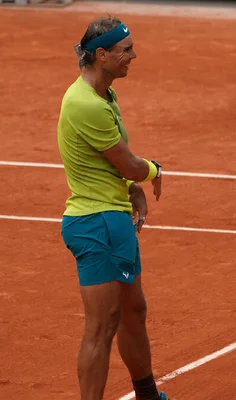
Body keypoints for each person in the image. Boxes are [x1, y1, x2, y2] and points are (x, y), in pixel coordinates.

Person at [57, 16, 169, 400]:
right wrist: (151, 172)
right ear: (101, 55)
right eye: (126, 50)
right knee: (102, 326)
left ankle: (147, 395)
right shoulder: (85, 104)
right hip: (95, 223)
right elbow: (129, 163)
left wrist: (128, 187)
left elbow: (105, 164)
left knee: (133, 313)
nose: (133, 55)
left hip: (112, 218)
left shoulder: (105, 96)